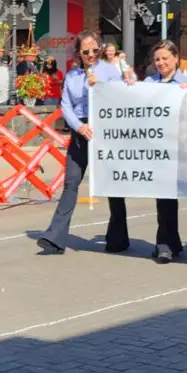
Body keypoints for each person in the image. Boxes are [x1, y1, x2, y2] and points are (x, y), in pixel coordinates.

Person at [37, 30, 132, 257]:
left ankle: (118, 238)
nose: (91, 55)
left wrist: (99, 86)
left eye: (94, 50)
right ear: (79, 53)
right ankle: (55, 238)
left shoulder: (110, 71)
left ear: (100, 49)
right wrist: (78, 127)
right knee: (71, 182)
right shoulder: (71, 76)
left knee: (112, 185)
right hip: (81, 129)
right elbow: (66, 105)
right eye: (85, 51)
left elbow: (120, 97)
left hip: (105, 128)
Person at [145, 40, 187, 263]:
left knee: (170, 196)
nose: (161, 63)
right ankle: (167, 243)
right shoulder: (149, 82)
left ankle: (168, 242)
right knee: (163, 197)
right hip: (156, 146)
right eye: (157, 59)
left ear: (176, 58)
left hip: (178, 146)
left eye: (165, 58)